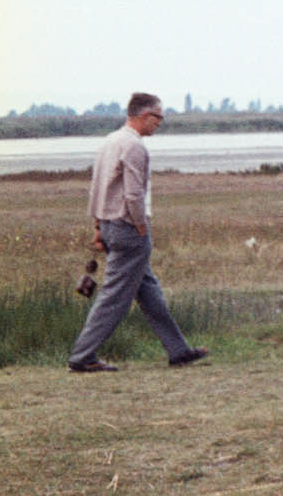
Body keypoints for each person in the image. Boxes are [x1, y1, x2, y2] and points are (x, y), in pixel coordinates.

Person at [67, 92, 208, 373]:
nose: (160, 123)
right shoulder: (134, 147)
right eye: (159, 117)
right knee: (114, 297)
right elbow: (133, 193)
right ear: (144, 116)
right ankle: (82, 356)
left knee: (149, 291)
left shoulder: (110, 141)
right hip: (128, 228)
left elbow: (98, 188)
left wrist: (98, 227)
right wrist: (141, 225)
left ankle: (178, 350)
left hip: (109, 225)